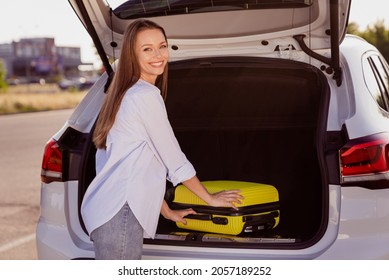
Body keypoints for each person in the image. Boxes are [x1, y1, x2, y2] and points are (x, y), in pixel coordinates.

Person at [81, 19, 243, 260]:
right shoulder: (144, 96)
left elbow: (134, 169)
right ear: (131, 55)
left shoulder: (125, 92)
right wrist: (209, 198)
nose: (158, 55)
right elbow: (173, 159)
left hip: (108, 211)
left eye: (162, 46)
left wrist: (166, 211)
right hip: (119, 214)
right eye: (147, 49)